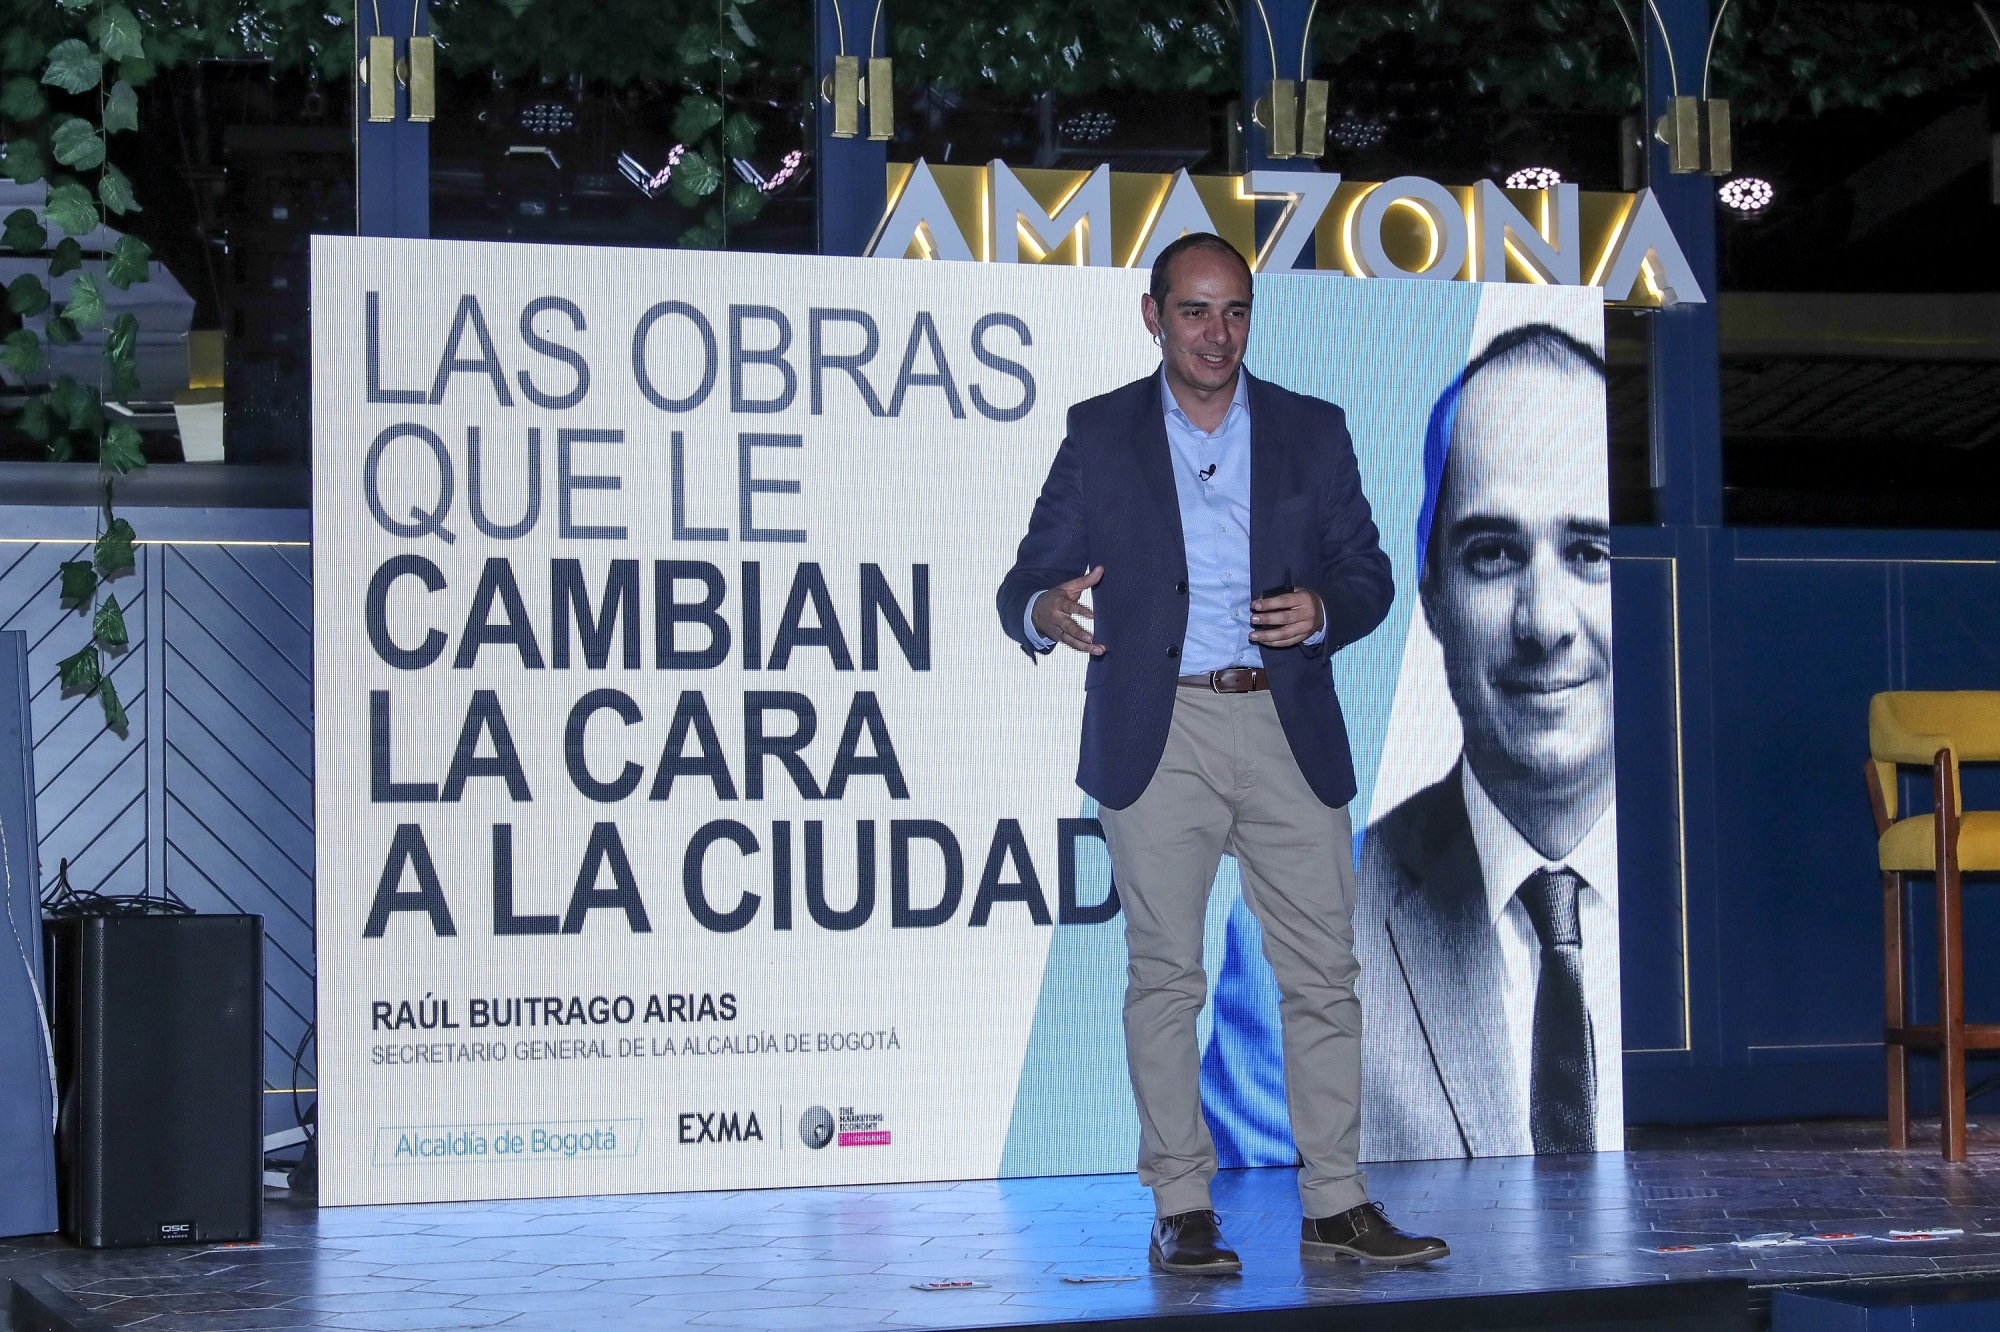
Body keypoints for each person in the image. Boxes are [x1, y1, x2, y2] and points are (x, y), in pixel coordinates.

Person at [996, 232, 1449, 1274]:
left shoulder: (1310, 429)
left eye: (1234, 311)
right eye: (1194, 311)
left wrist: (1325, 609)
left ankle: (1336, 1204)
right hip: (1159, 733)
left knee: (1321, 977)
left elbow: (1370, 574)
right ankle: (1181, 1207)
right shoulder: (1099, 434)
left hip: (1285, 728)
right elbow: (1030, 572)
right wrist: (1043, 607)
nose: (1216, 333)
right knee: (1166, 976)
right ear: (1151, 315)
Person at [1354, 323, 1620, 1161]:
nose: (1545, 622)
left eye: (1589, 552)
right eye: (1494, 555)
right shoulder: (1300, 922)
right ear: (1431, 595)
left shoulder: (1739, 877)